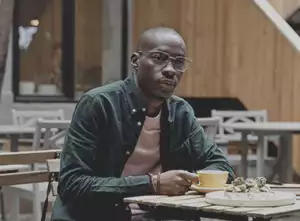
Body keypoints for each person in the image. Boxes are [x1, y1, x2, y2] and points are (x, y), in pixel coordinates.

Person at [51, 27, 235, 221]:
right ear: (135, 61)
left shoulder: (181, 112)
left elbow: (222, 167)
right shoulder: (100, 104)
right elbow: (72, 184)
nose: (170, 70)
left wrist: (192, 181)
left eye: (178, 62)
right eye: (158, 57)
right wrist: (152, 183)